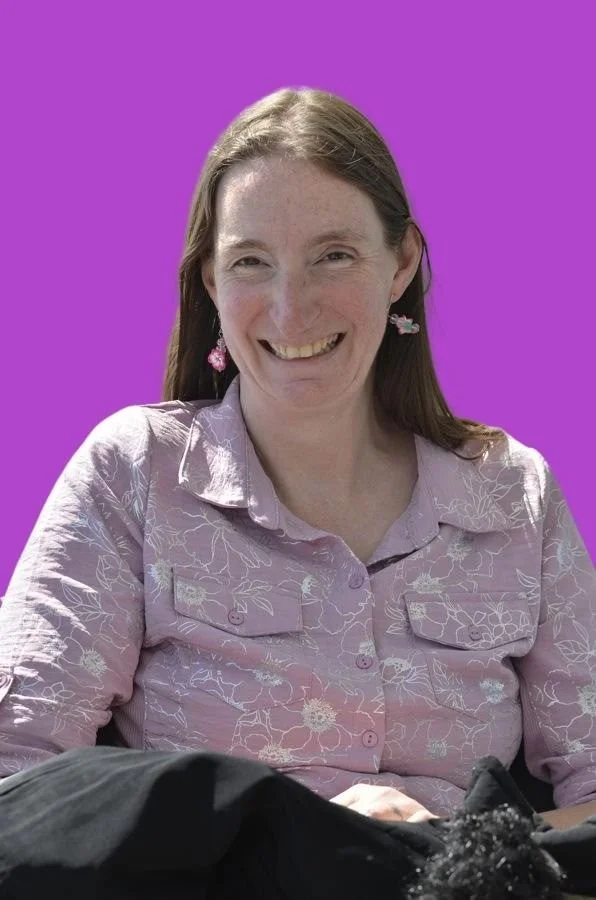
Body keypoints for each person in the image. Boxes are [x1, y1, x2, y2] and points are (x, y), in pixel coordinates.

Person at [0, 87, 594, 836]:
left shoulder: (514, 493)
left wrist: (455, 851)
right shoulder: (135, 473)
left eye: (333, 256)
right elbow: (18, 786)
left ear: (402, 263)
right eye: (251, 262)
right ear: (213, 284)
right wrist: (298, 833)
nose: (291, 308)